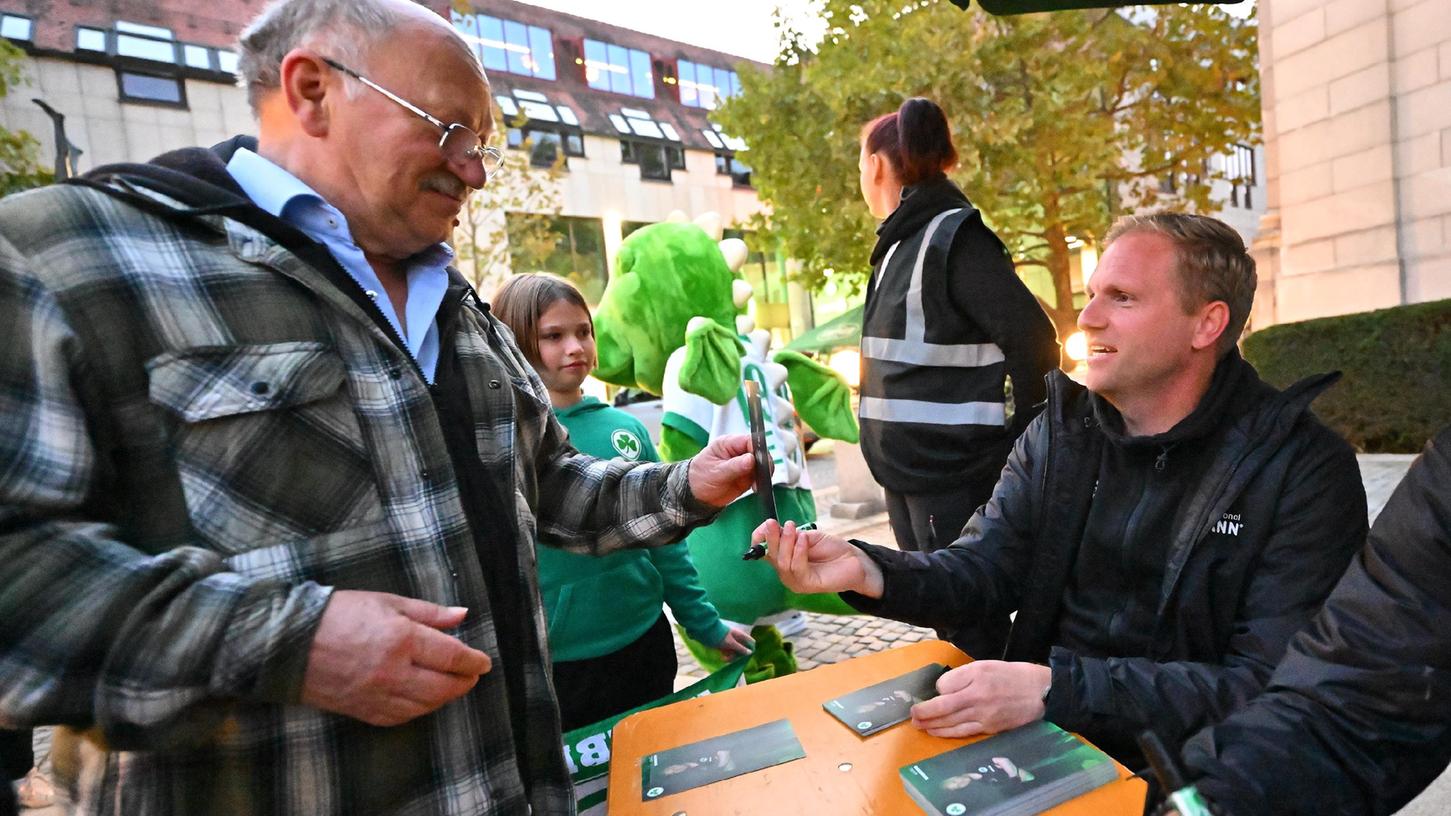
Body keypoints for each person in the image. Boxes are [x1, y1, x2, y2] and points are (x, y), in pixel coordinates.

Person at [0, 1, 755, 814]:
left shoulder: (457, 304)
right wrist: (285, 643)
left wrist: (688, 486)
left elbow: (549, 489)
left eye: (483, 143)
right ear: (313, 89)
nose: (473, 170)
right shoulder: (67, 260)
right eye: (447, 129)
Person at [755, 212, 1368, 768]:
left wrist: (1056, 688)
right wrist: (871, 570)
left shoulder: (1302, 470)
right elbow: (986, 569)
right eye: (1094, 293)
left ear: (1208, 324)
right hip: (1048, 742)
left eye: (1122, 298)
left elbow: (1273, 684)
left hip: (1204, 770)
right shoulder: (1062, 428)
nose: (1088, 317)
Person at [491, 273, 752, 731]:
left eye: (583, 331)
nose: (575, 346)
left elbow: (668, 545)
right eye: (554, 336)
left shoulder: (625, 429)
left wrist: (704, 623)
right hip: (559, 663)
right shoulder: (504, 441)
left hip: (643, 642)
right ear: (513, 341)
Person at [1176, 426, 1451, 816]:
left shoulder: (1304, 468)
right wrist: (1216, 802)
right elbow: (1361, 694)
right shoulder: (1066, 434)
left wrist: (1076, 687)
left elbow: (1262, 675)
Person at [855, 97, 1060, 555]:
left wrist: (1022, 444)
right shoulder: (897, 244)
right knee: (939, 615)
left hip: (950, 477)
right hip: (910, 473)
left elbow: (1033, 341)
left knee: (967, 618)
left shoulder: (953, 237)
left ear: (873, 166)